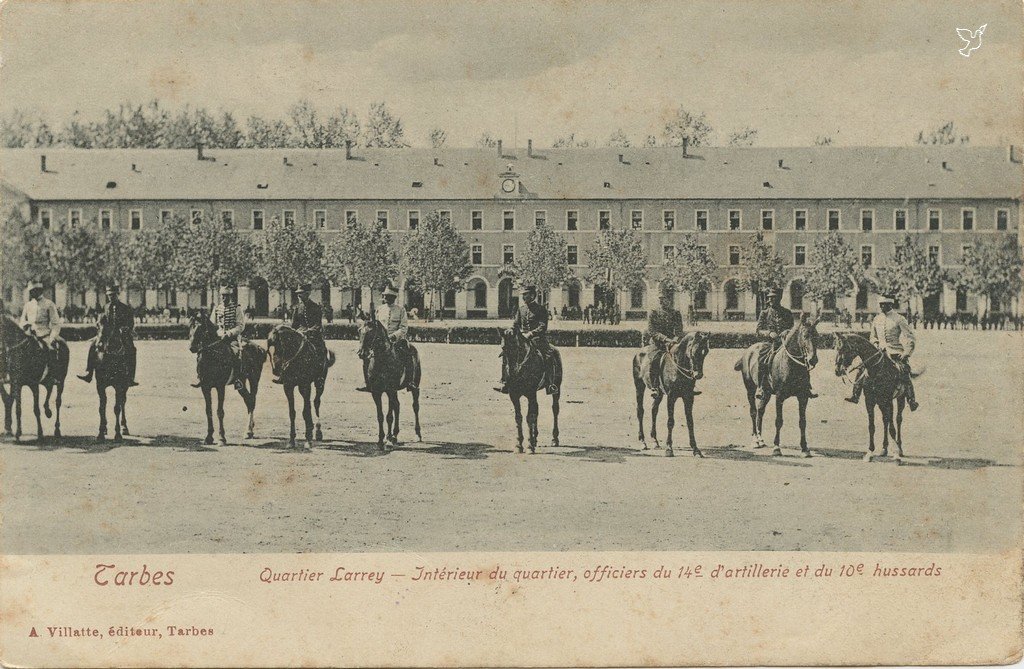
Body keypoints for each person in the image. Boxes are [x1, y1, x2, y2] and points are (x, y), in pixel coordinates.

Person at [845, 294, 919, 411]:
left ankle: (911, 399)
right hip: (878, 352)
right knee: (861, 367)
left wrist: (906, 353)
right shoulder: (877, 319)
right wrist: (875, 345)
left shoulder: (899, 319)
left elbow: (910, 337)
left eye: (884, 305)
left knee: (904, 370)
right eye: (880, 305)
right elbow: (873, 337)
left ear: (890, 304)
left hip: (895, 352)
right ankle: (855, 394)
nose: (881, 307)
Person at [754, 286, 815, 401]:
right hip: (770, 343)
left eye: (774, 298)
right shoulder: (764, 313)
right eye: (770, 298)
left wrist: (786, 332)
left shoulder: (787, 312)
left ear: (779, 299)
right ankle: (761, 386)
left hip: (785, 343)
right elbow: (758, 331)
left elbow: (791, 329)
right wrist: (769, 333)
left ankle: (806, 387)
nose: (771, 300)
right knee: (763, 359)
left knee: (803, 358)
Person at [495, 285, 557, 394]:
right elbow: (515, 325)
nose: (524, 297)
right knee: (506, 353)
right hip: (522, 338)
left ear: (533, 295)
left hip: (537, 339)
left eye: (526, 294)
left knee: (549, 355)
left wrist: (531, 333)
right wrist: (510, 329)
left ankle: (550, 384)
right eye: (523, 295)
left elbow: (543, 326)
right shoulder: (521, 309)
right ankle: (505, 381)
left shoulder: (541, 309)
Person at [357, 281, 417, 392]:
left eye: (390, 297)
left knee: (408, 353)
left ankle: (410, 381)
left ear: (394, 298)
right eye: (386, 296)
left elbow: (404, 327)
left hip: (396, 340)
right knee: (366, 357)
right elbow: (374, 324)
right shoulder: (380, 309)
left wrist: (394, 336)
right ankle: (368, 382)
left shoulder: (400, 309)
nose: (387, 299)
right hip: (381, 340)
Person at [644, 284, 699, 396]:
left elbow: (679, 330)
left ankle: (690, 385)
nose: (661, 301)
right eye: (660, 299)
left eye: (664, 299)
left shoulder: (675, 313)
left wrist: (675, 339)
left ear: (670, 300)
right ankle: (655, 386)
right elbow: (652, 331)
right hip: (657, 344)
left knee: (686, 358)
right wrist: (666, 339)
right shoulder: (653, 313)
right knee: (655, 360)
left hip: (673, 343)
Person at [78, 283, 137, 386]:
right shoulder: (106, 307)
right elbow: (102, 321)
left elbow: (130, 323)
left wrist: (125, 328)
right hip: (107, 334)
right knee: (93, 346)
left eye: (113, 295)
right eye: (109, 295)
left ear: (117, 295)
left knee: (132, 349)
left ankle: (130, 377)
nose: (111, 297)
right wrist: (99, 324)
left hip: (122, 335)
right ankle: (89, 372)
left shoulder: (125, 308)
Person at [193, 286, 247, 391]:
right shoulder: (217, 308)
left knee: (237, 354)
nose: (223, 298)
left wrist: (229, 333)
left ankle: (237, 380)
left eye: (226, 296)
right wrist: (218, 333)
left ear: (230, 296)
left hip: (232, 338)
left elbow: (241, 326)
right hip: (218, 338)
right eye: (222, 295)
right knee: (203, 353)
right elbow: (213, 325)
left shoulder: (237, 308)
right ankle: (202, 376)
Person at [274, 282, 325, 383]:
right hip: (299, 334)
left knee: (320, 351)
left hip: (313, 336)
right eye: (298, 294)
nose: (299, 296)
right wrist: (293, 332)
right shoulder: (297, 308)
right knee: (286, 350)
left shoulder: (316, 307)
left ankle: (320, 377)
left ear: (308, 293)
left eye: (301, 293)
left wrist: (308, 331)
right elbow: (294, 325)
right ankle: (283, 375)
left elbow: (318, 324)